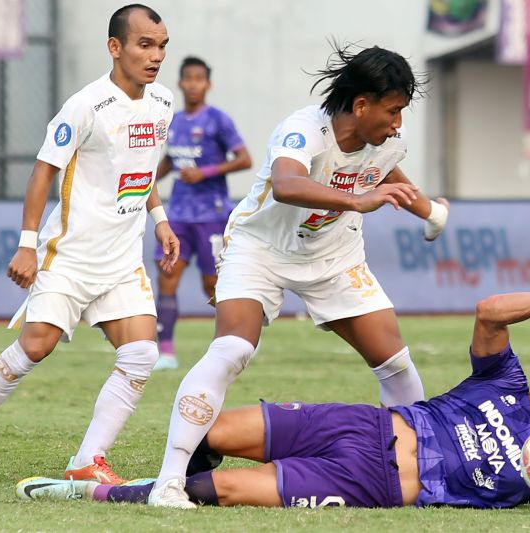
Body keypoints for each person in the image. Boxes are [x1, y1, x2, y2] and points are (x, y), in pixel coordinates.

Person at [16, 265, 530, 511]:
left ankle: (101, 490)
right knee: (214, 431)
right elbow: (489, 311)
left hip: (377, 485)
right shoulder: (502, 376)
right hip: (362, 426)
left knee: (219, 489)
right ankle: (159, 477)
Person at [143, 43, 452, 507]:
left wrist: (430, 211)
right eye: (393, 111)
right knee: (231, 350)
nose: (398, 123)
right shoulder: (303, 129)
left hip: (335, 255)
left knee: (396, 365)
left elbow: (386, 169)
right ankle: (169, 481)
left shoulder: (388, 141)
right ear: (361, 104)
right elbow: (287, 185)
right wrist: (356, 200)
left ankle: (414, 472)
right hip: (259, 247)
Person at [0, 4, 178, 485]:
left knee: (142, 354)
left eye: (162, 46)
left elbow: (144, 168)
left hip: (122, 261)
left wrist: (160, 219)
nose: (155, 56)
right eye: (144, 44)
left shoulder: (164, 103)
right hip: (68, 257)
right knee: (35, 346)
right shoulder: (86, 104)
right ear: (115, 48)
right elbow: (43, 170)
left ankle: (87, 459)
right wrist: (27, 244)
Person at [153, 56, 252, 371]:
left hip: (212, 214)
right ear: (180, 83)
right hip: (178, 214)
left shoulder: (218, 121)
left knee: (213, 285)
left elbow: (244, 159)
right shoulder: (174, 122)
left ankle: (236, 342)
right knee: (167, 277)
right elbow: (170, 160)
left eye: (199, 79)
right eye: (188, 78)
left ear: (207, 84)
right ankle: (165, 351)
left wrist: (206, 172)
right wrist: (147, 179)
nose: (193, 84)